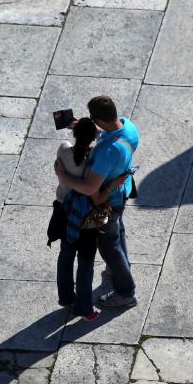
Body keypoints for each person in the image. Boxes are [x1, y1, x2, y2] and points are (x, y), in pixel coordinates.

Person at [55, 96, 139, 308]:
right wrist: (86, 127)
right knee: (118, 233)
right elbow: (109, 134)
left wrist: (62, 175)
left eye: (93, 119)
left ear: (99, 119)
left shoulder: (106, 152)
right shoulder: (128, 127)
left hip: (108, 202)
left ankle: (126, 292)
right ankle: (119, 267)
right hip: (123, 191)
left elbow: (89, 188)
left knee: (109, 247)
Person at [51, 118, 126, 321]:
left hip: (62, 209)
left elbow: (70, 157)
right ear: (92, 139)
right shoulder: (91, 166)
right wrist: (115, 183)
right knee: (85, 263)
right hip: (84, 218)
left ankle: (66, 297)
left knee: (65, 254)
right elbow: (97, 198)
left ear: (74, 134)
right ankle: (84, 308)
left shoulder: (63, 148)